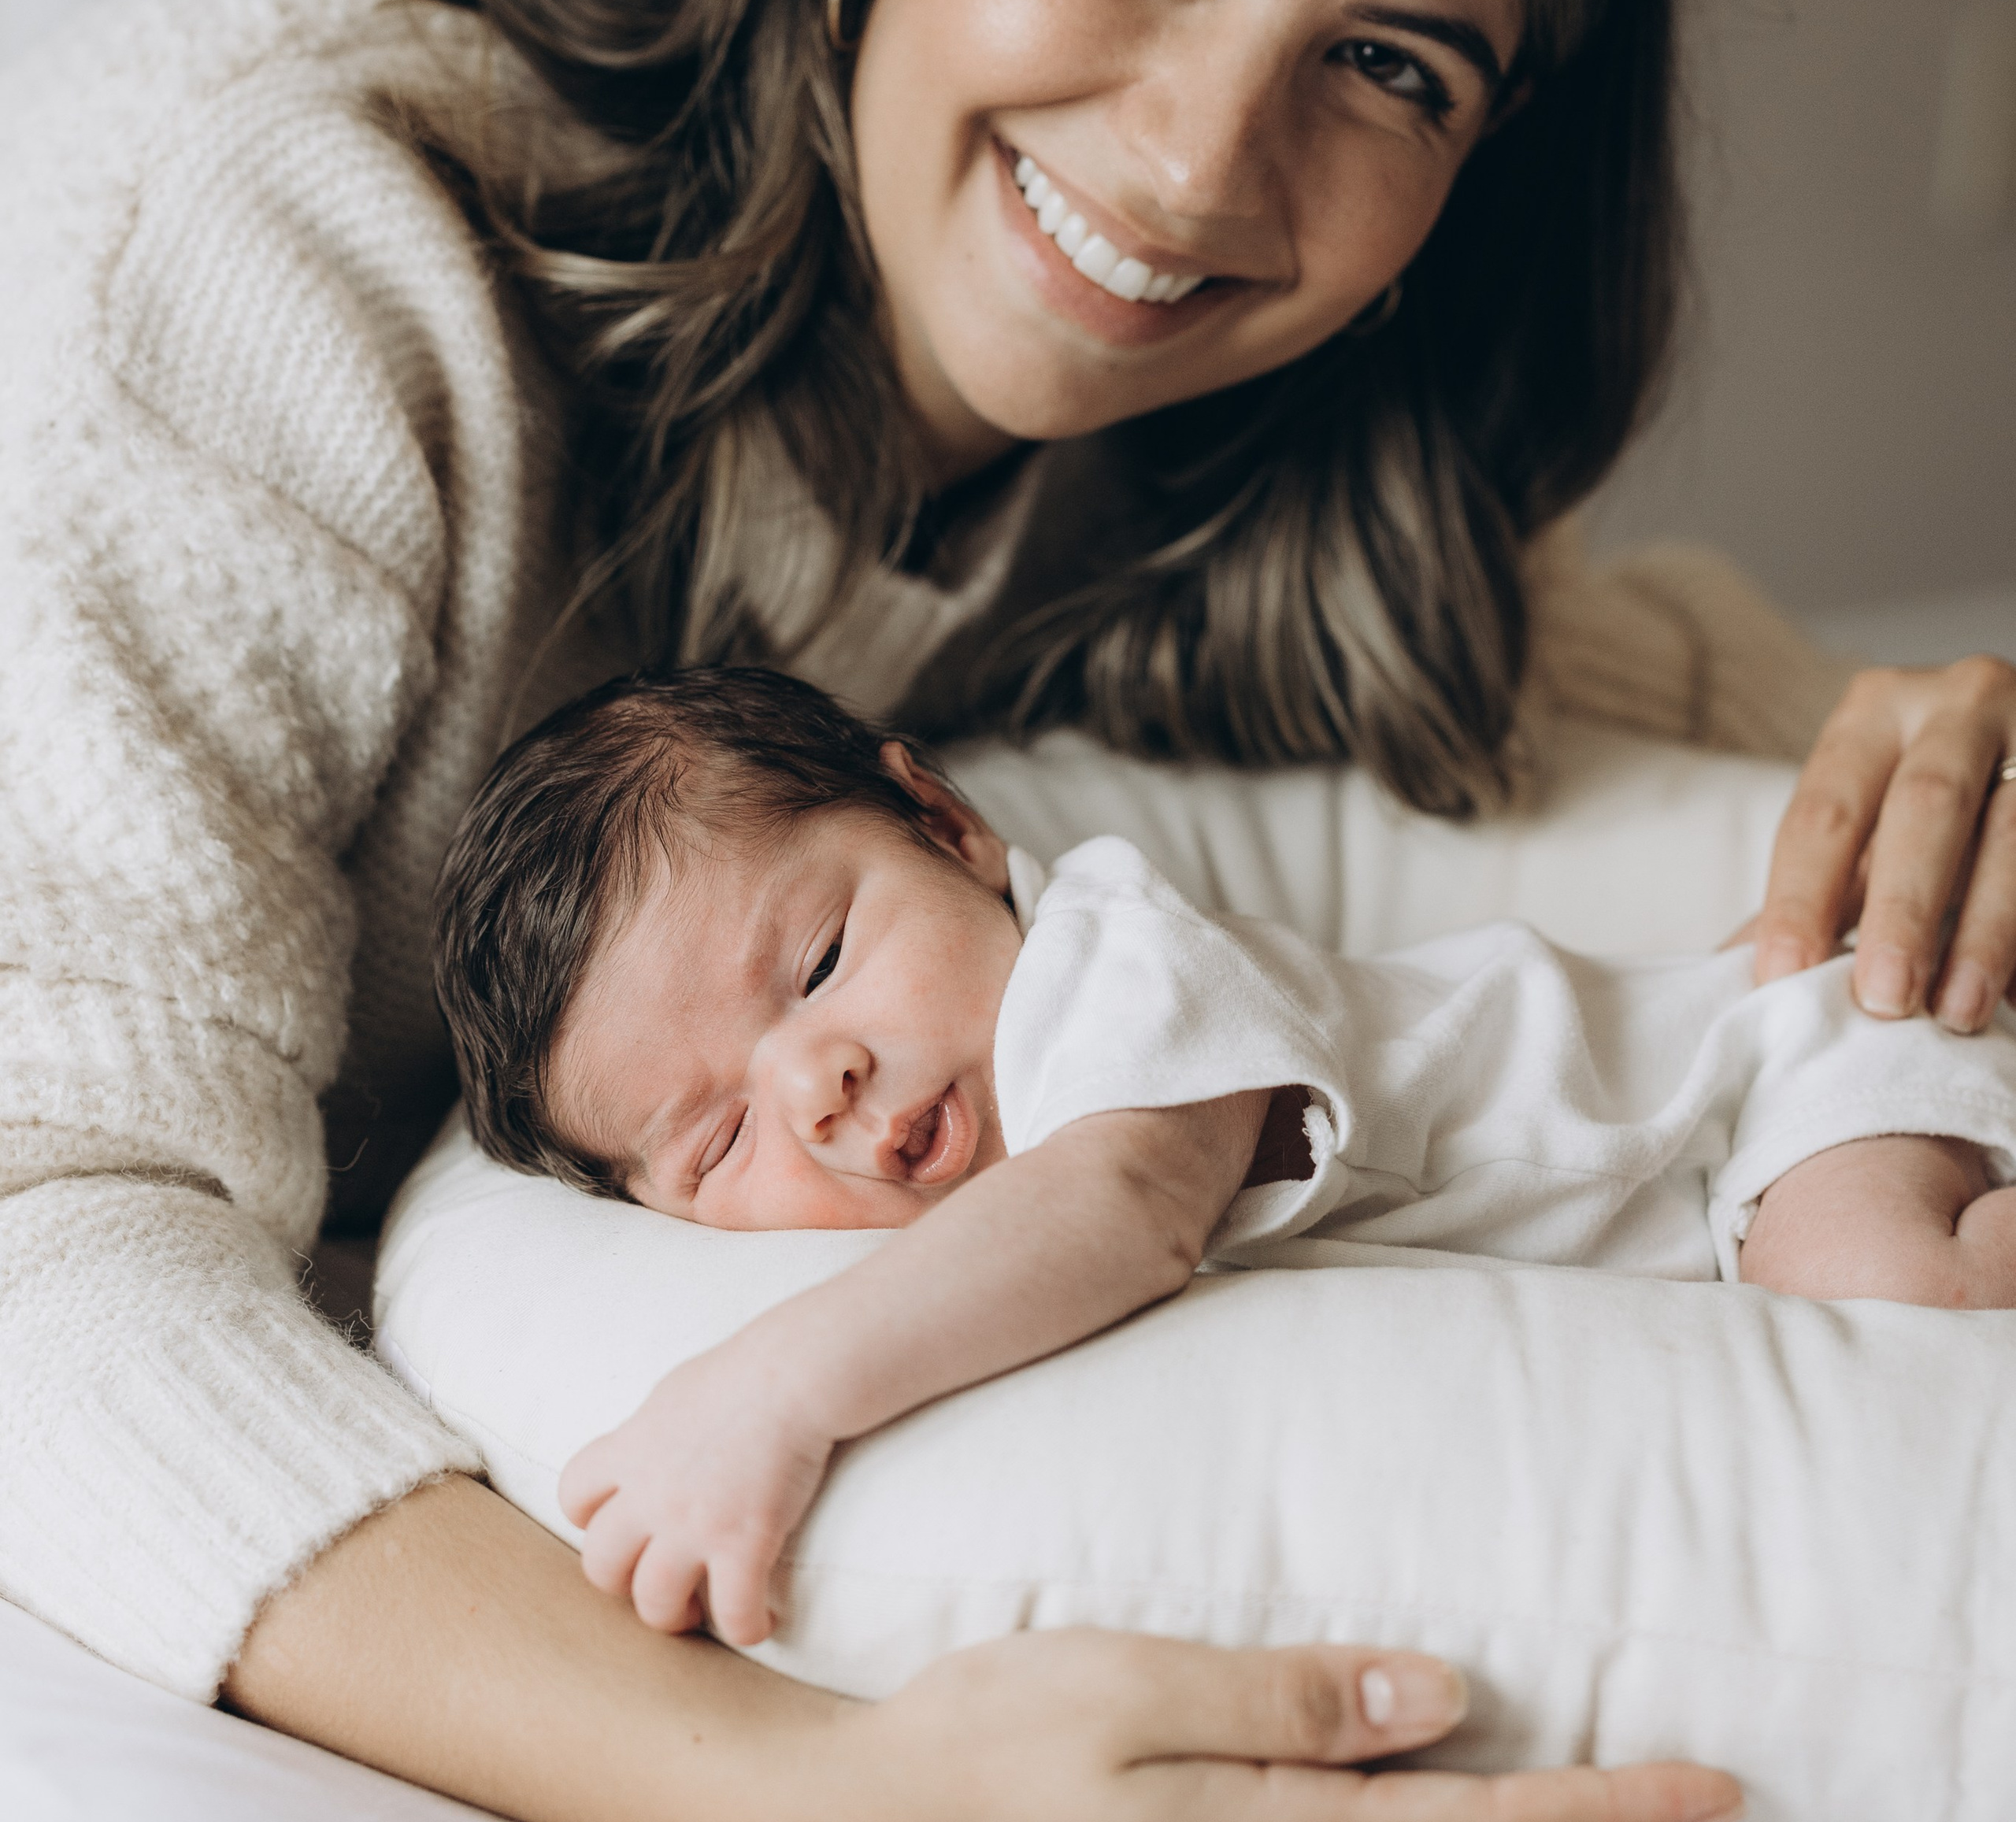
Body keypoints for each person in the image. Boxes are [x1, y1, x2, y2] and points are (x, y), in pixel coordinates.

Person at [3, 0, 2012, 1822]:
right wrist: (800, 1805)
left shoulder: (1272, 456)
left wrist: (1950, 721)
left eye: (1387, 67)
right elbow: (51, 1233)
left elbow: (1686, 701)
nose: (1194, 162)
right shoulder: (278, 253)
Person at [431, 662, 2016, 1650]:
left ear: (946, 827)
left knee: (1884, 1297)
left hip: (1775, 1076)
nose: (818, 1080)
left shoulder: (1108, 967)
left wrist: (769, 1390)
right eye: (718, 1137)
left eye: (826, 955)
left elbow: (1115, 1211)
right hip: (1724, 1141)